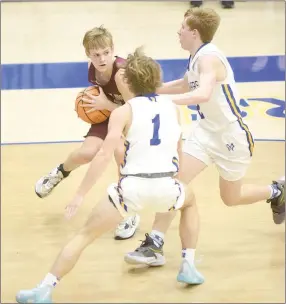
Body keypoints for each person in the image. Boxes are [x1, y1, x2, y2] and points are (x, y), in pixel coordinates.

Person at [16, 48, 200, 304]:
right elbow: (178, 154)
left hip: (131, 190)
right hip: (167, 187)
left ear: (128, 81)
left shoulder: (122, 112)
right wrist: (172, 185)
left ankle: (44, 289)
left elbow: (103, 155)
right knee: (189, 202)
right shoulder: (172, 108)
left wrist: (80, 195)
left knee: (83, 236)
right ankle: (188, 264)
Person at [124, 7, 285, 283]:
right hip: (205, 132)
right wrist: (153, 91)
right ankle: (155, 243)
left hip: (231, 138)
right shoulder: (196, 57)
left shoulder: (210, 59)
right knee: (174, 181)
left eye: (183, 28)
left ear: (194, 33)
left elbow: (203, 92)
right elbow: (187, 84)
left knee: (230, 198)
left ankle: (276, 191)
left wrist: (163, 102)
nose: (179, 32)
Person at [34, 26, 140, 240]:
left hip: (131, 117)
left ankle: (129, 211)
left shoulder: (122, 73)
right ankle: (59, 172)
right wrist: (97, 105)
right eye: (96, 54)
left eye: (106, 53)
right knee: (86, 153)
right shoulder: (93, 69)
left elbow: (135, 110)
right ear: (88, 55)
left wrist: (105, 103)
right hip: (111, 112)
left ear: (113, 50)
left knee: (121, 155)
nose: (101, 58)